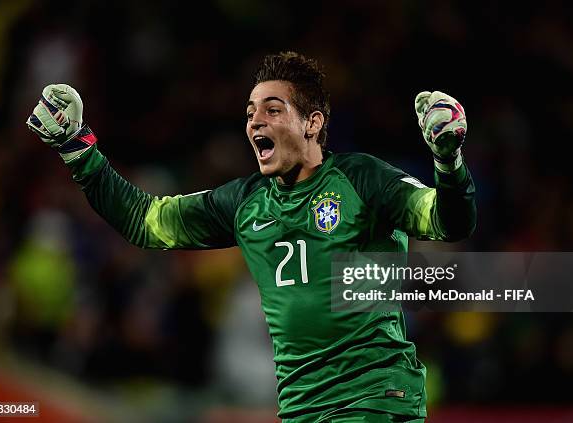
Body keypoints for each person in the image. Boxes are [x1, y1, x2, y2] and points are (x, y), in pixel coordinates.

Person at [27, 51, 476, 423]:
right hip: (301, 409)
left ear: (312, 123)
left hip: (374, 399)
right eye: (250, 113)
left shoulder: (363, 180)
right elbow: (145, 222)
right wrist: (78, 149)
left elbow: (446, 220)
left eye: (273, 110)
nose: (255, 122)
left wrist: (448, 161)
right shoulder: (245, 204)